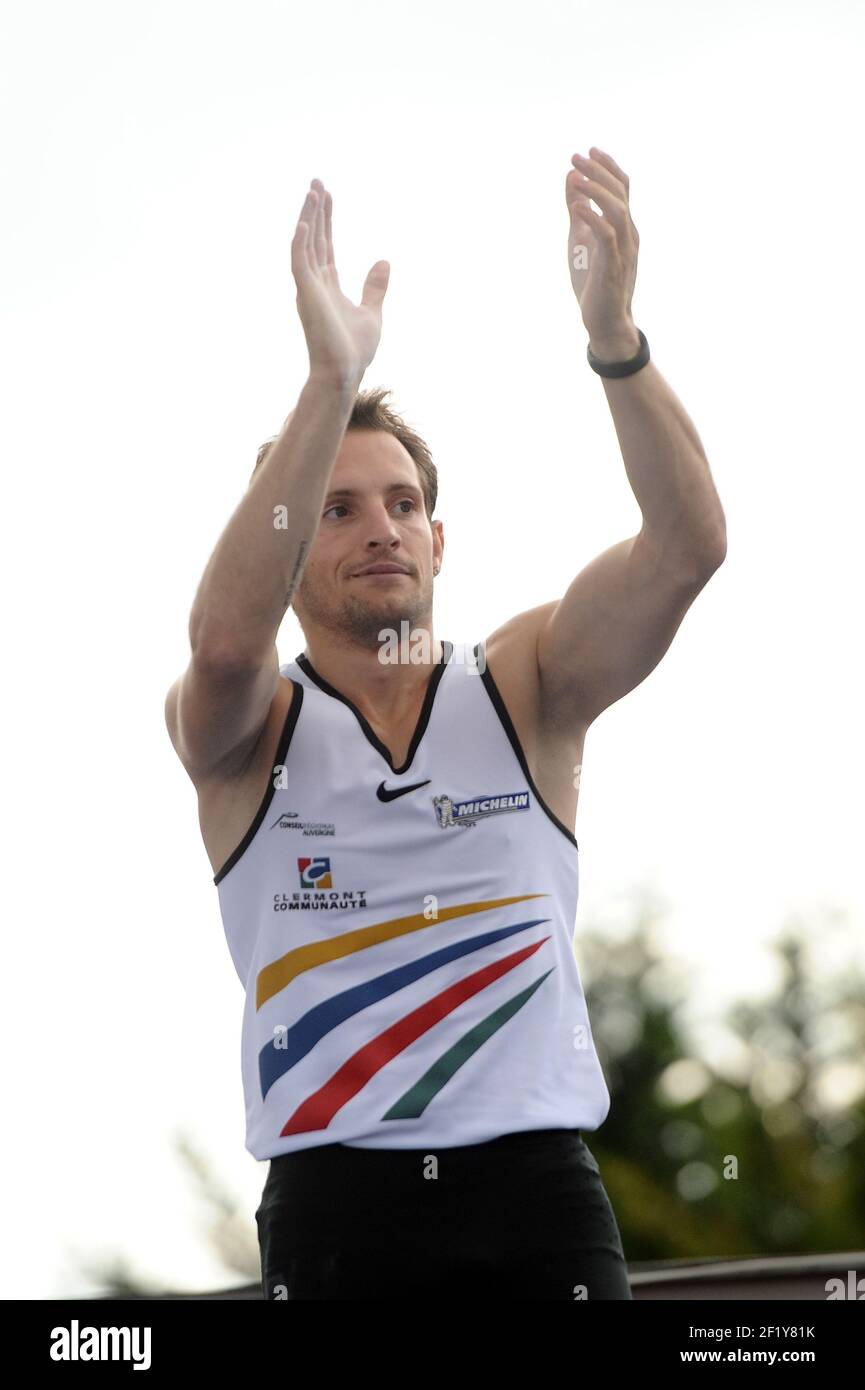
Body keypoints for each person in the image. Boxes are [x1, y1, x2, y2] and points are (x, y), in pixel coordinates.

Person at [164, 154, 726, 1300]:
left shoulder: (522, 683)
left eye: (404, 504)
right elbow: (224, 644)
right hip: (335, 1208)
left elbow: (685, 548)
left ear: (438, 540)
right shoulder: (247, 724)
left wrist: (616, 339)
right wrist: (328, 384)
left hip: (533, 1198)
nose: (382, 527)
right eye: (335, 507)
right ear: (287, 549)